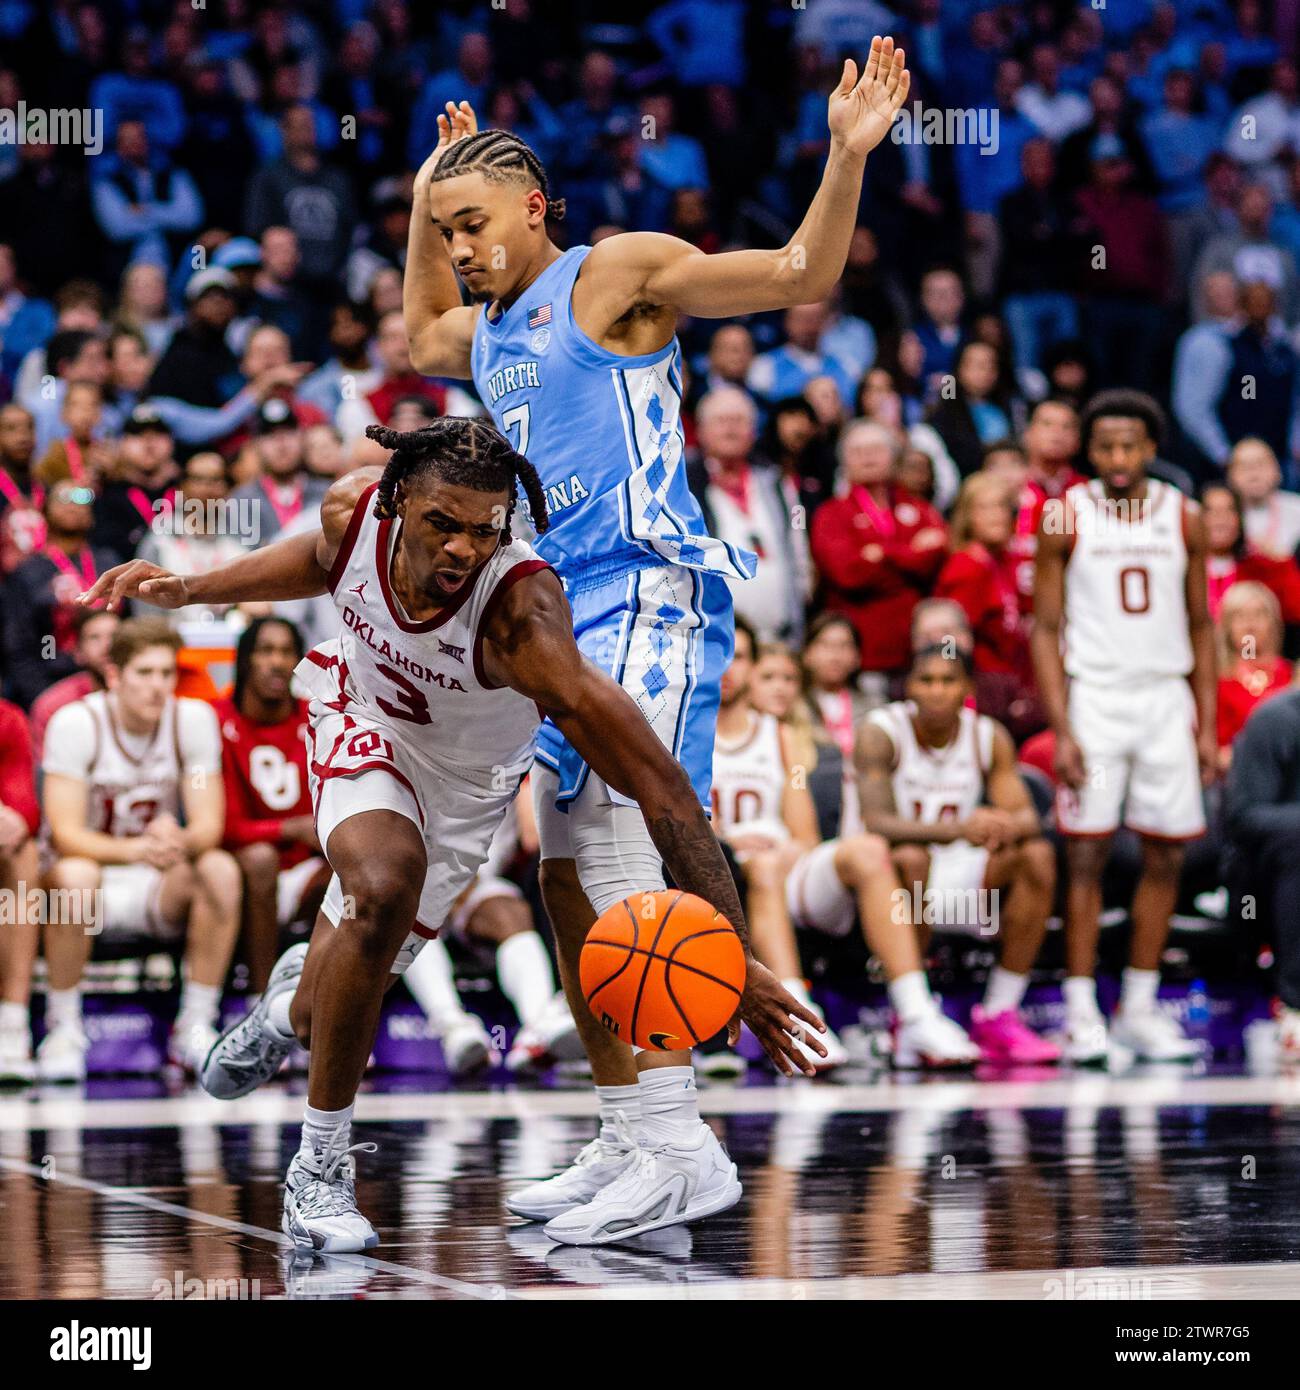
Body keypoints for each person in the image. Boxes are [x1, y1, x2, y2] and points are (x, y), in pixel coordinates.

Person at [83, 418, 823, 1253]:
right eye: (442, 523)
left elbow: (667, 792)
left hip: (468, 791)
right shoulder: (351, 511)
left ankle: (288, 1009)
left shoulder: (525, 618)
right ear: (397, 503)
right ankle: (319, 1170)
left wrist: (734, 956)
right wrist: (190, 589)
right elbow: (320, 561)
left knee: (335, 991)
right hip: (363, 722)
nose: (463, 549)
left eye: (484, 529)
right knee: (382, 884)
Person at [399, 41, 909, 1242]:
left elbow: (795, 270)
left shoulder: (613, 273)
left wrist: (843, 157)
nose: (461, 251)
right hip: (561, 616)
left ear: (533, 207)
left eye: (474, 225)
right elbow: (422, 328)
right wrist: (424, 195)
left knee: (621, 850)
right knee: (566, 870)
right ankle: (629, 1127)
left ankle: (681, 1143)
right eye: (447, 232)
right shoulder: (488, 330)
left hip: (652, 592)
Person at [1032, 390, 1216, 1064]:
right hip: (1097, 696)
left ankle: (1139, 1008)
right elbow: (1045, 630)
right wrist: (1064, 726)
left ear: (1150, 448)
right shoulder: (1063, 515)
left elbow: (1203, 623)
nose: (1116, 457)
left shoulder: (1185, 515)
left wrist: (1206, 724)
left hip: (1166, 695)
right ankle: (1082, 1010)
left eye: (1129, 444)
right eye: (1104, 444)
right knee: (1087, 853)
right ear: (1089, 449)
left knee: (1167, 852)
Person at [39, 619, 242, 1079]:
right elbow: (66, 833)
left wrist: (180, 839)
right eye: (145, 674)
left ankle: (194, 1025)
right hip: (92, 884)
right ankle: (63, 1029)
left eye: (167, 674)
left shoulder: (192, 721)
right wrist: (139, 849)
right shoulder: (76, 723)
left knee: (219, 869)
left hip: (157, 883)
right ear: (114, 675)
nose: (158, 687)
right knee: (75, 876)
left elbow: (209, 825)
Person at [858, 645, 1060, 1063]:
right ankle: (911, 1014)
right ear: (907, 687)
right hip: (886, 884)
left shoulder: (988, 735)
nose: (936, 691)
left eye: (948, 681)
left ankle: (999, 1012)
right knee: (913, 857)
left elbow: (1029, 817)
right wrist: (959, 829)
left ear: (967, 688)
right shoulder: (881, 731)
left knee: (1037, 855)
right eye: (925, 680)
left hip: (959, 884)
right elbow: (876, 822)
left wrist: (1001, 824)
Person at [213, 617, 331, 997]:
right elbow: (224, 827)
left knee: (359, 873)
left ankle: (326, 1003)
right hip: (241, 870)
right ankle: (261, 1000)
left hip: (305, 871)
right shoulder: (216, 719)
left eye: (286, 652)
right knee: (261, 859)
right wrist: (291, 829)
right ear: (246, 659)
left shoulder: (317, 717)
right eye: (266, 651)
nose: (277, 662)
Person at [0, 697, 41, 1084]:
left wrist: (10, 819)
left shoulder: (7, 720)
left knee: (22, 854)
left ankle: (12, 1026)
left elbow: (26, 810)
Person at [1215, 581, 1293, 771]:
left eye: (1259, 614)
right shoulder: (1219, 684)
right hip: (1240, 780)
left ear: (1273, 623)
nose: (1250, 624)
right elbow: (1216, 752)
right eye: (1240, 616)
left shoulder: (1291, 676)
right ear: (1227, 625)